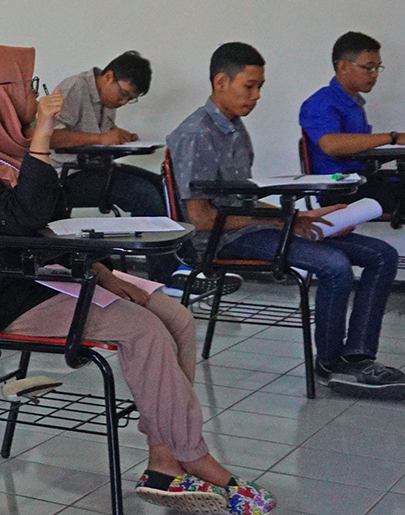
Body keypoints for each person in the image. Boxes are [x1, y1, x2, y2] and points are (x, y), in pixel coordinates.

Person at [0, 44, 275, 515]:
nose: (38, 95)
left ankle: (163, 459)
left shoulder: (7, 149)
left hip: (49, 276)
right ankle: (192, 454)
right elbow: (24, 218)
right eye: (29, 86)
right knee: (145, 330)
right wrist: (43, 139)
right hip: (10, 298)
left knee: (175, 317)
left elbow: (52, 223)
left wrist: (107, 275)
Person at [169, 42, 403, 398]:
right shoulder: (196, 133)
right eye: (250, 86)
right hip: (222, 238)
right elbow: (201, 219)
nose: (257, 95)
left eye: (260, 86)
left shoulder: (234, 127)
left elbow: (240, 198)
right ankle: (328, 363)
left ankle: (356, 356)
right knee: (334, 265)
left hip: (250, 225)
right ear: (220, 82)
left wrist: (294, 215)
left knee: (382, 255)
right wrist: (282, 221)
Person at [49, 51, 164, 216]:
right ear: (109, 76)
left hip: (94, 169)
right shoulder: (75, 87)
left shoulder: (107, 100)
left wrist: (123, 140)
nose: (123, 102)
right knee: (143, 194)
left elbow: (102, 141)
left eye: (130, 99)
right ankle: (150, 241)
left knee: (161, 185)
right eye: (123, 94)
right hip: (65, 175)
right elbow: (50, 136)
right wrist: (101, 138)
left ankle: (181, 241)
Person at [299, 31, 402, 210]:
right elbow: (331, 145)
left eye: (378, 68)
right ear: (344, 67)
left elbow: (364, 153)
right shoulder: (321, 102)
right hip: (339, 187)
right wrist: (392, 137)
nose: (375, 74)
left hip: (362, 179)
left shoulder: (355, 104)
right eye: (369, 67)